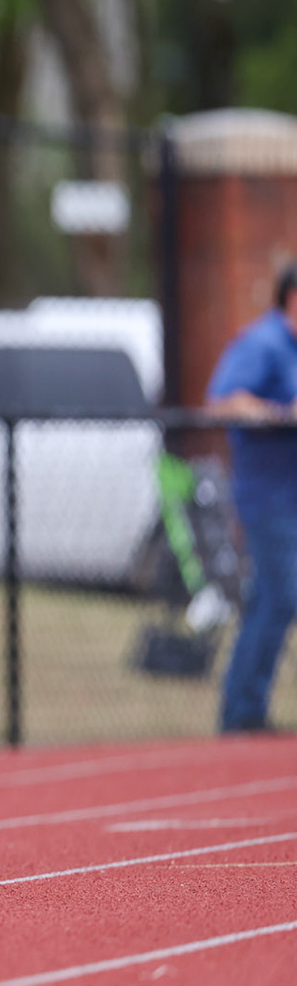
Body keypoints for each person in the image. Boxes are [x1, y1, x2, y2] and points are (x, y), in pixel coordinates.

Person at [204, 261, 297, 734]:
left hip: (293, 495)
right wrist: (281, 413)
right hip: (267, 497)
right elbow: (222, 400)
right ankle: (242, 709)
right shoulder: (262, 343)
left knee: (268, 598)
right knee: (283, 595)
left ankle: (244, 709)